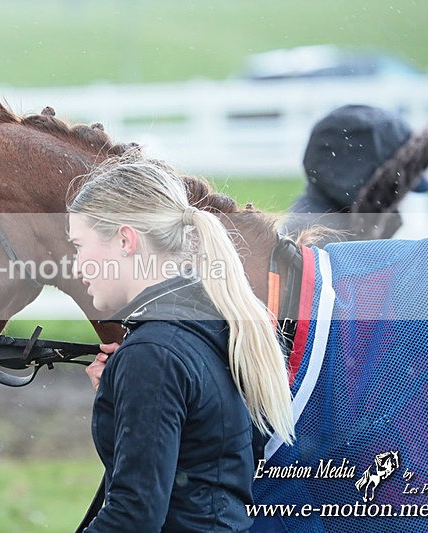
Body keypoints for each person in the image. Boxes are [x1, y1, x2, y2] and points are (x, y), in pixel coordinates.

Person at [67, 152, 294, 532]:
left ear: (125, 240)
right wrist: (125, 395)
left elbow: (133, 519)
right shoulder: (212, 326)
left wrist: (139, 377)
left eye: (79, 246)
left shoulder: (154, 355)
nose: (76, 266)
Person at [283, 104, 428, 244]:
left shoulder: (335, 230)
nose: (401, 203)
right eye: (400, 192)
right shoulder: (324, 247)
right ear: (377, 189)